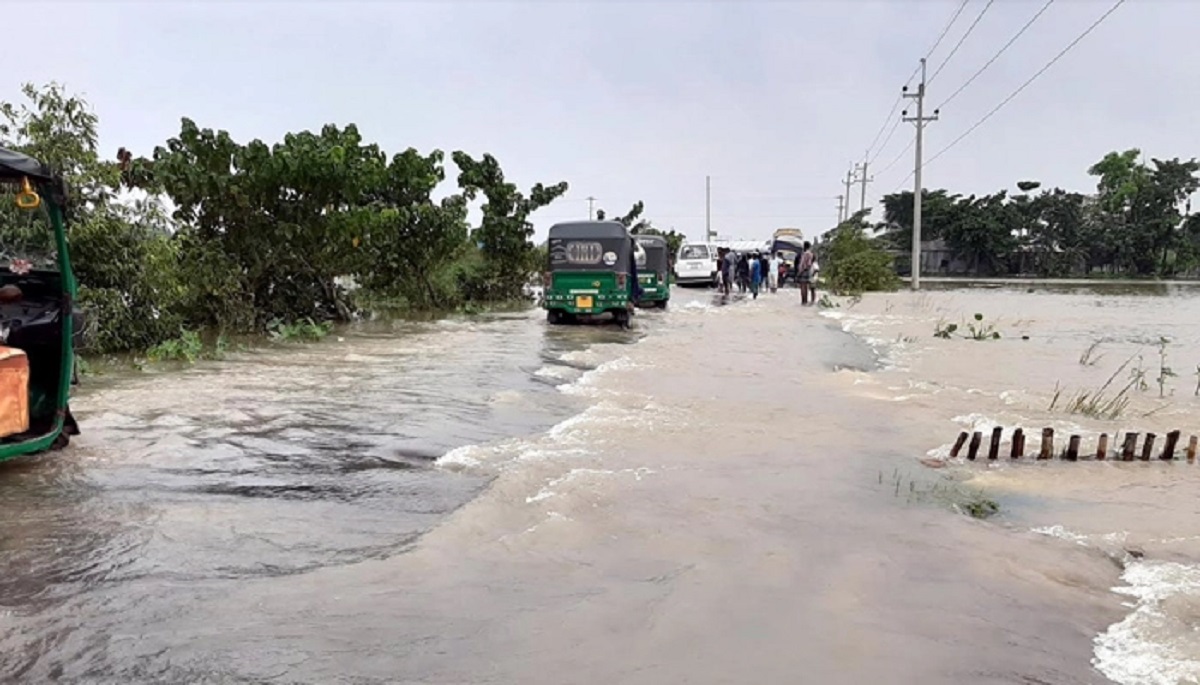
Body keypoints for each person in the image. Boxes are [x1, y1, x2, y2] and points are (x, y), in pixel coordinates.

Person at [797, 241, 815, 305]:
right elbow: (810, 263)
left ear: (804, 246)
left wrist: (799, 272)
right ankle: (806, 301)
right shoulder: (811, 254)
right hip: (808, 271)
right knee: (806, 287)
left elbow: (802, 264)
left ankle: (803, 301)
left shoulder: (805, 254)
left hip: (803, 271)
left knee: (803, 287)